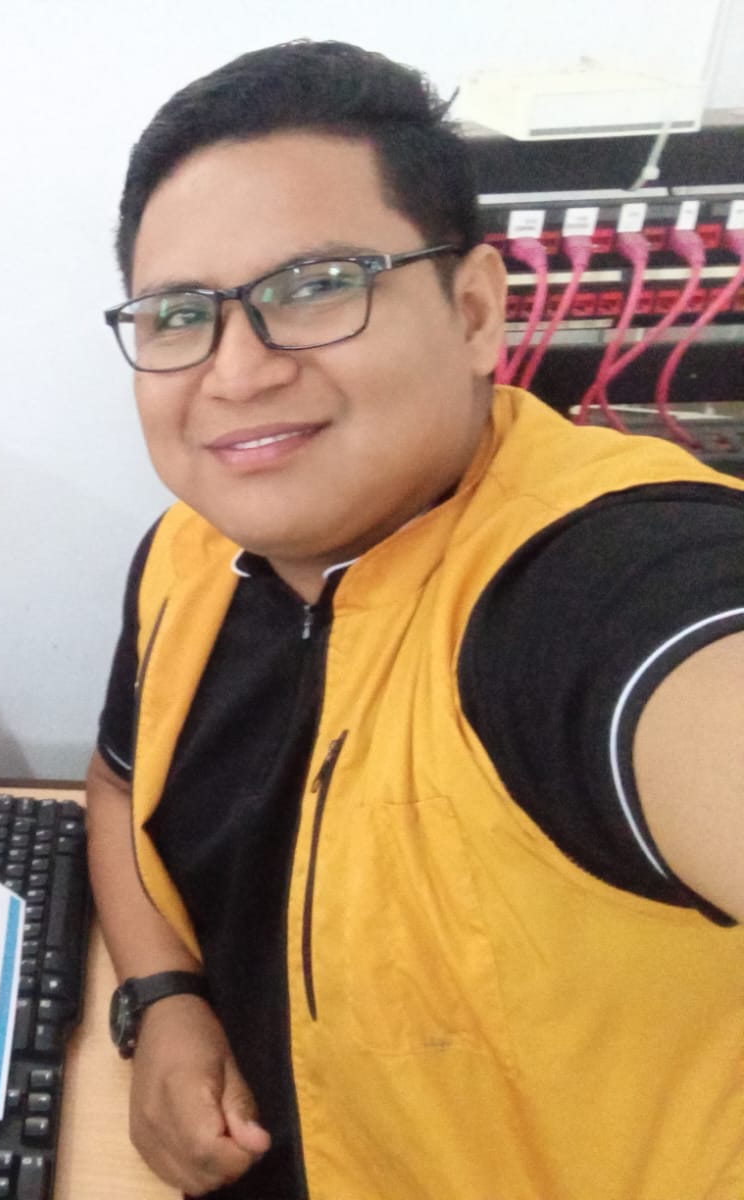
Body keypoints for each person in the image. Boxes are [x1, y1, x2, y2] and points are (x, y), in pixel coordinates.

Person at [86, 39, 744, 1200]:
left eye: (314, 288)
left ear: (475, 311)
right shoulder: (188, 553)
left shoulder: (596, 588)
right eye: (181, 314)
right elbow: (114, 784)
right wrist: (165, 995)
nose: (235, 373)